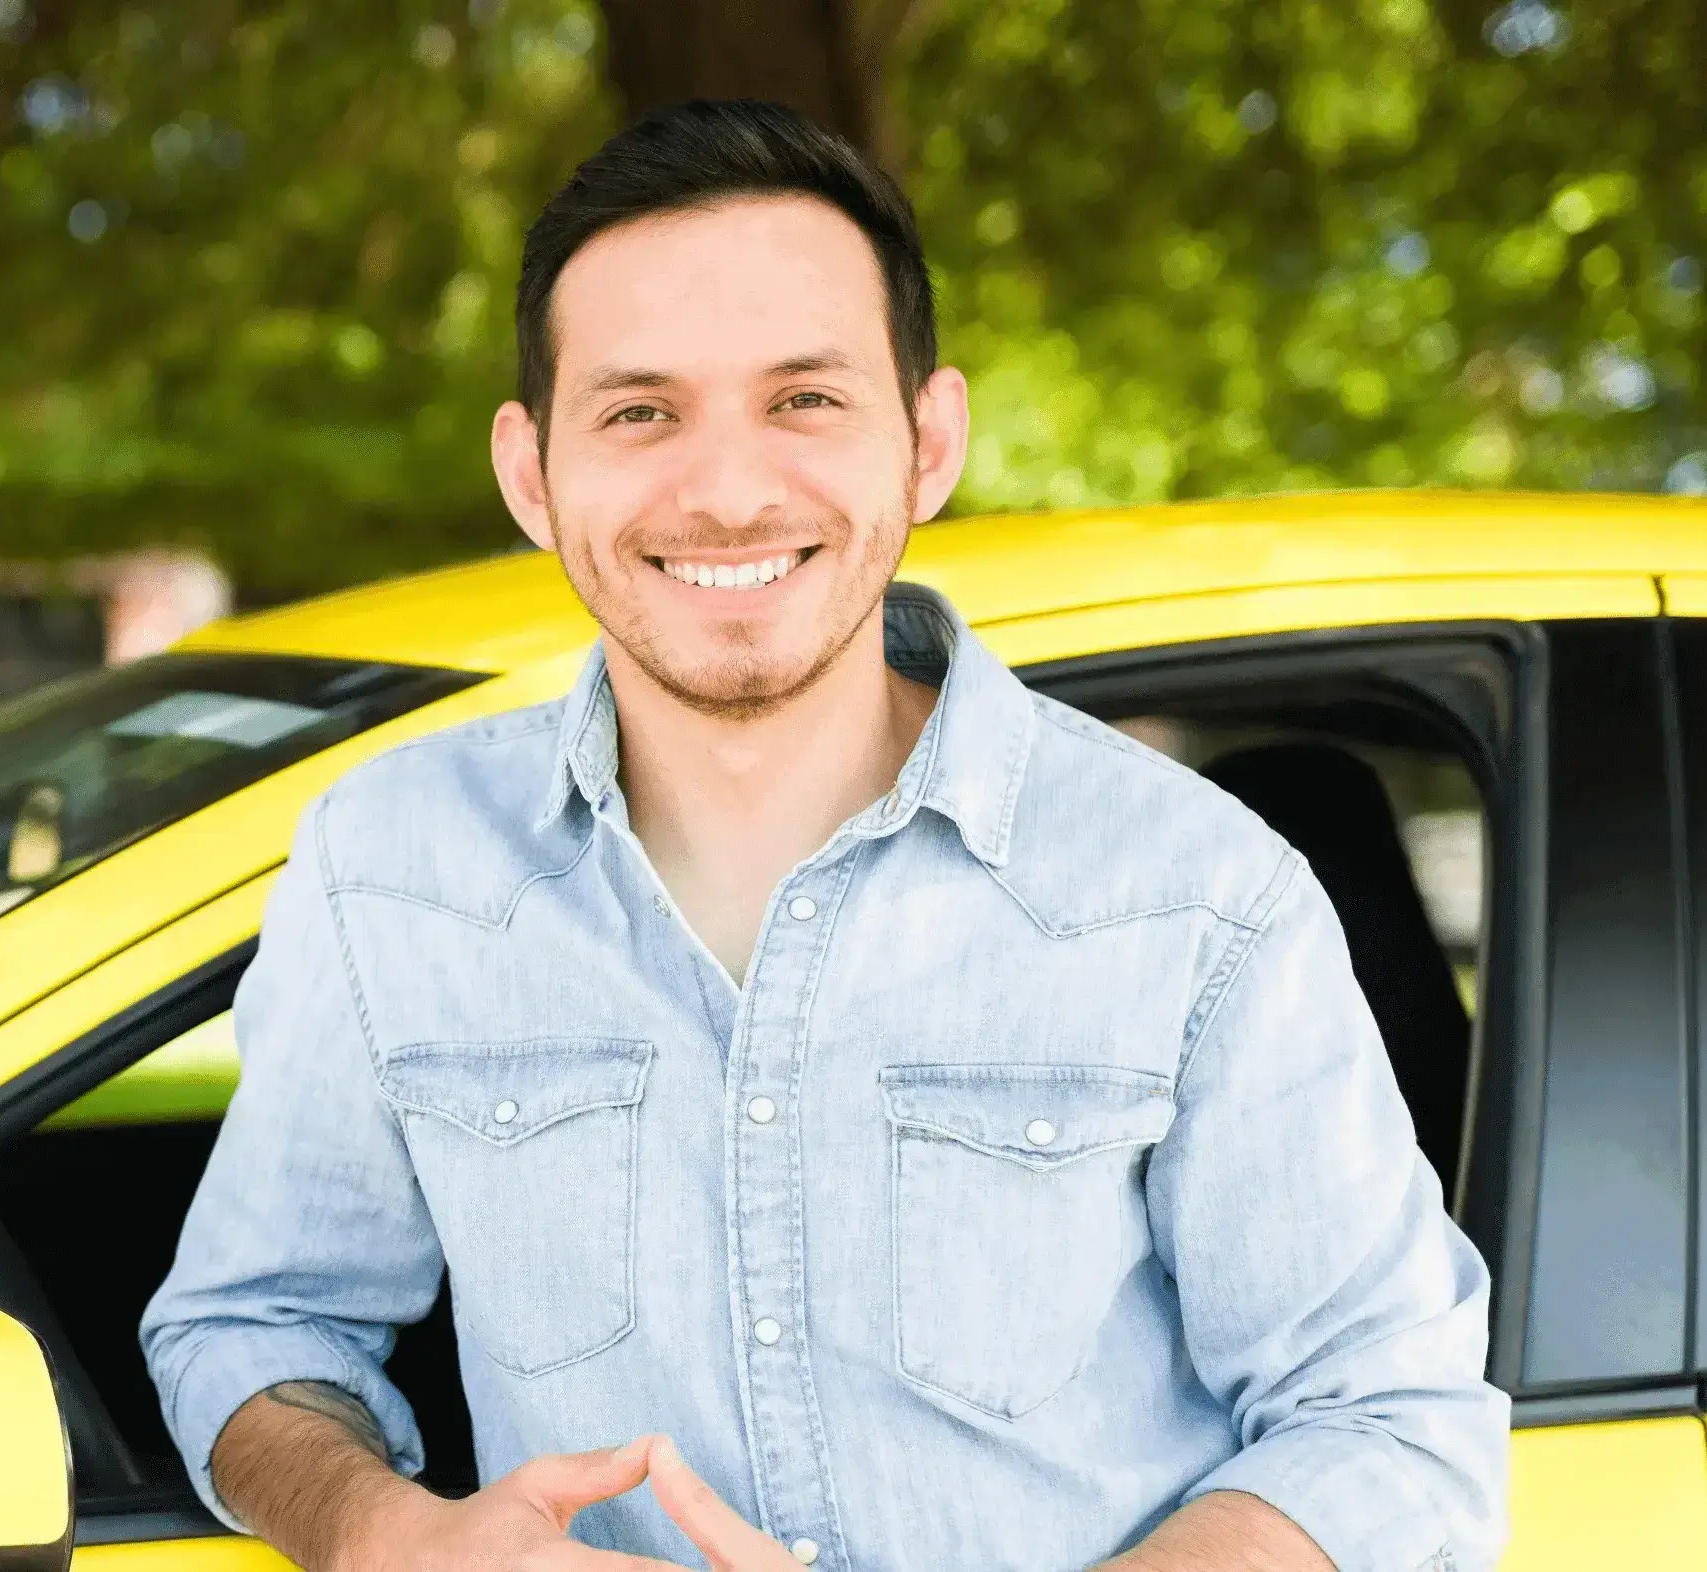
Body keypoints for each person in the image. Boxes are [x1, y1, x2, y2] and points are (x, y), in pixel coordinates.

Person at [137, 100, 1507, 1572]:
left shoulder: (1194, 892)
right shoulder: (387, 871)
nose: (727, 491)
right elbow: (253, 1327)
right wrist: (378, 1530)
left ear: (927, 443)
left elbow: (1384, 1423)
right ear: (531, 473)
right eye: (639, 411)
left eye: (802, 401)